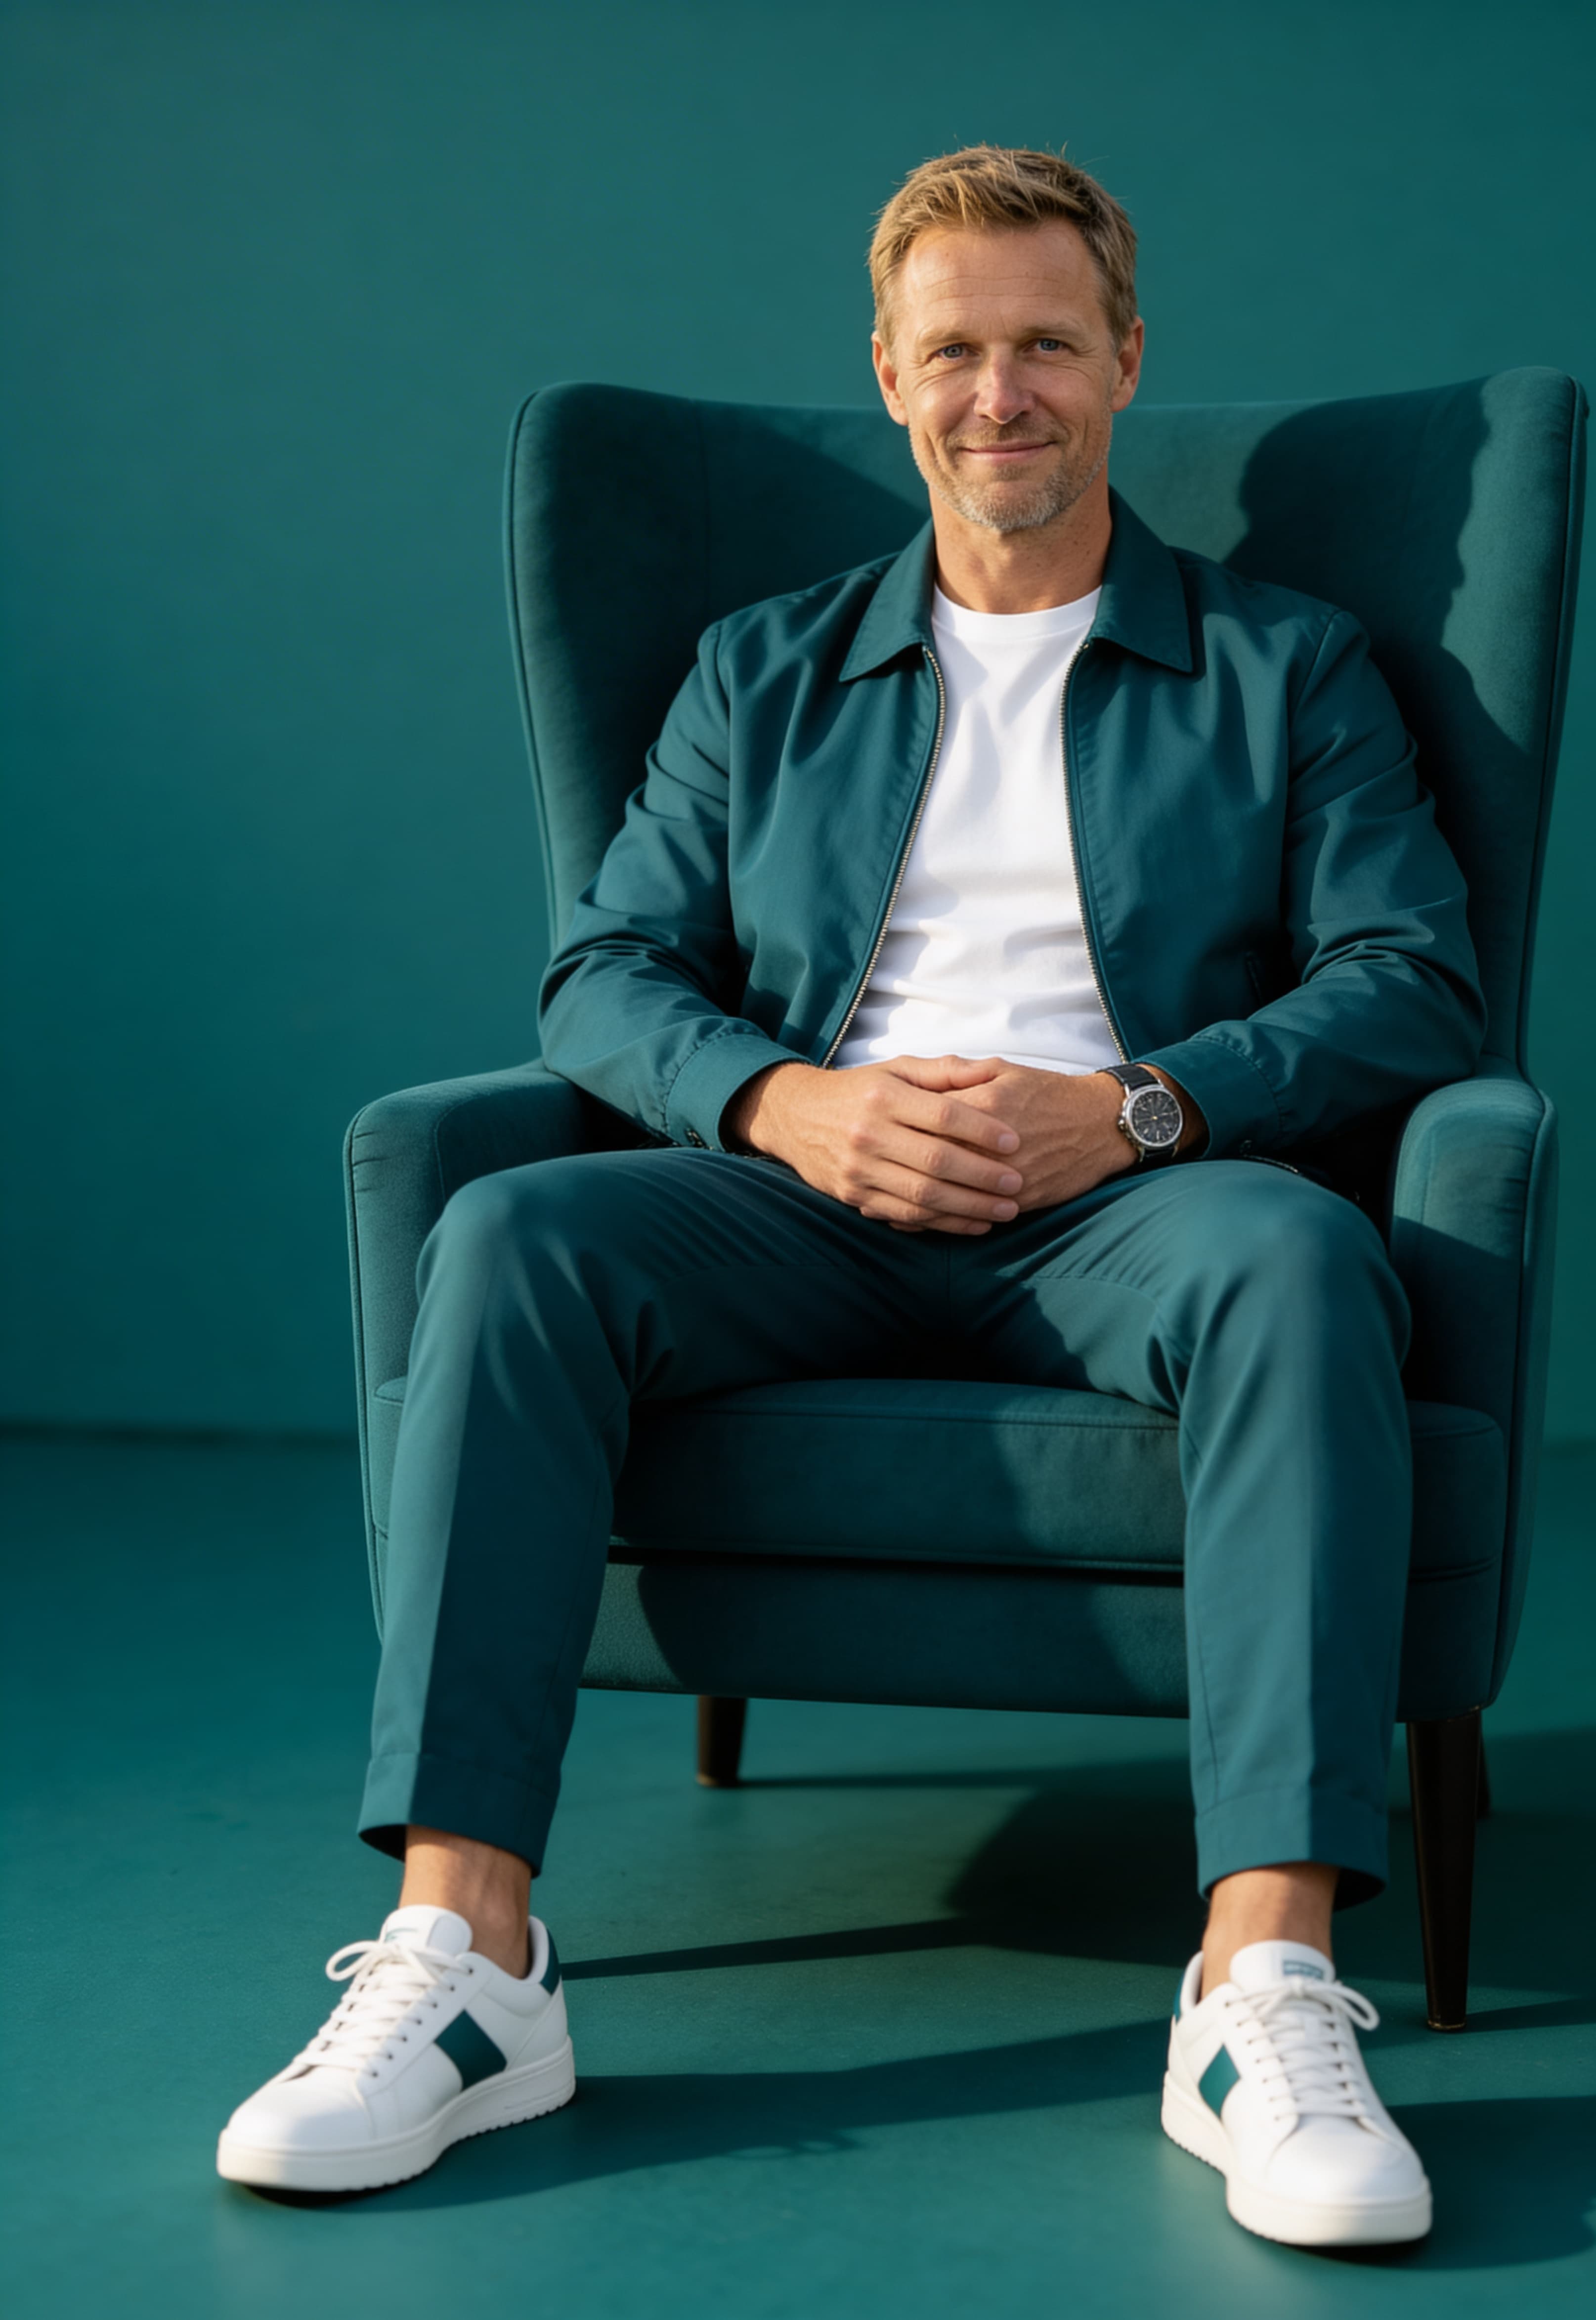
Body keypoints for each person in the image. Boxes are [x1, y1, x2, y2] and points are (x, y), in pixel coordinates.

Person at [217, 145, 1483, 2249]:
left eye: (1048, 346)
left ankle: (1257, 1986)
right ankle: (468, 1968)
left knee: (1299, 1255)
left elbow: (1411, 975)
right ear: (891, 380)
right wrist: (790, 1106)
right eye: (957, 351)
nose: (1006, 393)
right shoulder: (762, 667)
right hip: (802, 1202)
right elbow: (605, 972)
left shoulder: (1292, 666)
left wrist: (1142, 1112)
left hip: (1135, 1209)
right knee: (513, 1234)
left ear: (1125, 361)